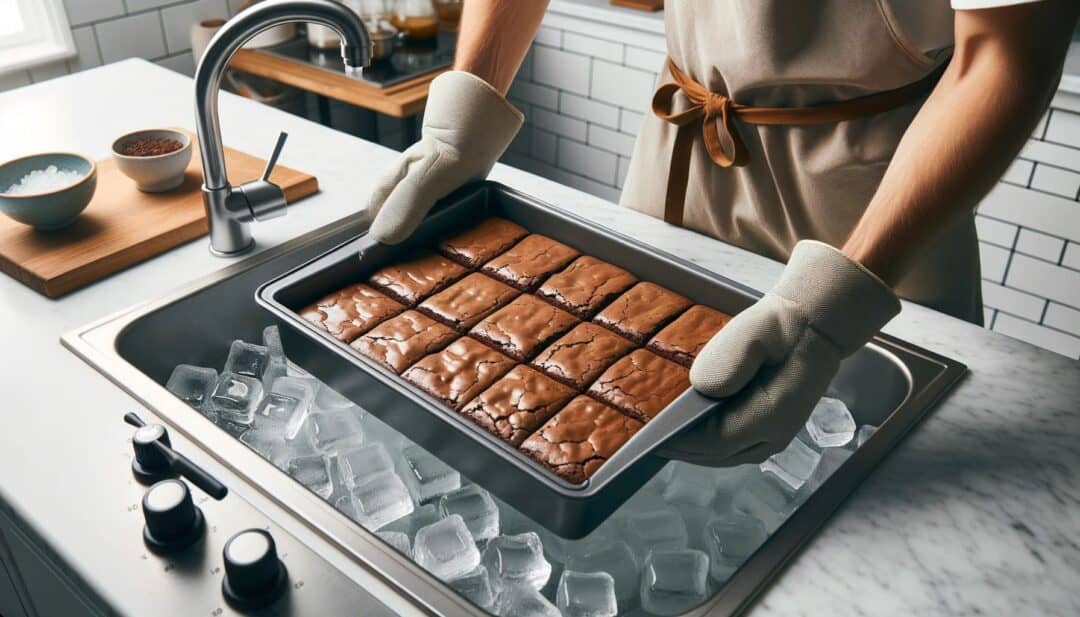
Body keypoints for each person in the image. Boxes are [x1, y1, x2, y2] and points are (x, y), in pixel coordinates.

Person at [364, 0, 1078, 465]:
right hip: (677, 159)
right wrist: (465, 117)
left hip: (873, 207)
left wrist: (826, 314)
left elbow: (1004, 54)